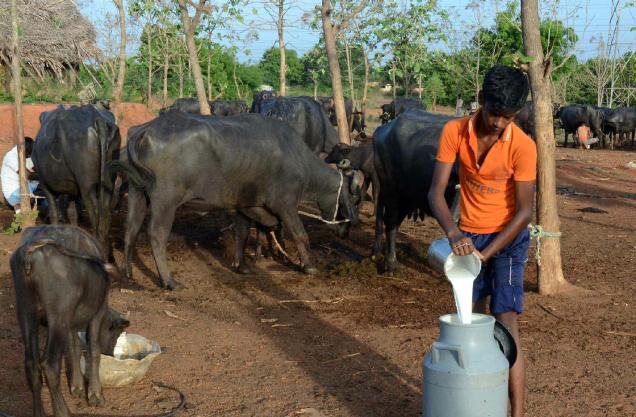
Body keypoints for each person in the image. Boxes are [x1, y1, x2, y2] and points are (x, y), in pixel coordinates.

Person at [427, 65, 536, 417]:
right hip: (468, 236)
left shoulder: (523, 146)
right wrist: (454, 233)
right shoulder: (454, 131)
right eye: (494, 113)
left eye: (508, 117)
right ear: (480, 100)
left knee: (505, 323)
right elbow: (435, 193)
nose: (499, 123)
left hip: (507, 239)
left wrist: (485, 254)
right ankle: (473, 404)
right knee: (468, 322)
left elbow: (524, 213)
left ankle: (516, 413)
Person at [1, 138, 39, 213]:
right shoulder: (11, 157)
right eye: (28, 155)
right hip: (13, 192)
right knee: (41, 187)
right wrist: (42, 177)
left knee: (42, 187)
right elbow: (26, 175)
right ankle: (20, 210)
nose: (29, 156)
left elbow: (35, 168)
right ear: (23, 150)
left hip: (27, 186)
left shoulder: (27, 153)